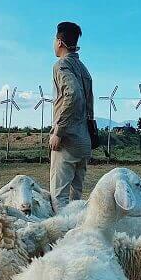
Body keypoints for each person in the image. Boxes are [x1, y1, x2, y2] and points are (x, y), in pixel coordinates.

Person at [49, 21, 94, 211]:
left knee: (59, 198)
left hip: (68, 140)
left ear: (59, 42)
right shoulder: (84, 70)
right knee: (76, 199)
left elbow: (72, 94)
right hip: (84, 141)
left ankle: (62, 237)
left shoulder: (61, 66)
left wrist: (58, 130)